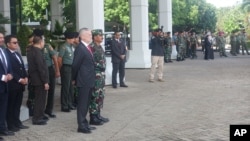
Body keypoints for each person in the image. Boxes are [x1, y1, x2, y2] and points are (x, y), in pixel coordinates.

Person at [72, 28, 96, 134]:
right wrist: (74, 78)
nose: (91, 36)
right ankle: (81, 126)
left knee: (86, 103)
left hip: (89, 79)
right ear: (82, 36)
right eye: (89, 34)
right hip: (83, 80)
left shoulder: (87, 47)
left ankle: (85, 123)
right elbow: (75, 65)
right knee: (82, 104)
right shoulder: (80, 48)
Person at [33, 29, 61, 118]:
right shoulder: (32, 47)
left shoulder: (47, 46)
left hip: (49, 69)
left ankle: (48, 110)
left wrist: (57, 70)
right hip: (39, 71)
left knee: (51, 90)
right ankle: (39, 112)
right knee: (40, 92)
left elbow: (54, 58)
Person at [5, 35, 29, 132]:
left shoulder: (17, 53)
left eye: (17, 42)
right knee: (11, 105)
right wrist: (19, 79)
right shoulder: (6, 54)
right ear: (8, 44)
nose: (17, 44)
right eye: (14, 43)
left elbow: (22, 67)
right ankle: (10, 124)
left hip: (20, 84)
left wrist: (26, 77)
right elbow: (9, 70)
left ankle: (17, 122)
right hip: (13, 84)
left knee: (18, 104)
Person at [27, 35, 49, 125]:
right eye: (43, 41)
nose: (44, 43)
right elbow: (41, 68)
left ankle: (40, 114)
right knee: (40, 99)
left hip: (37, 79)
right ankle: (37, 118)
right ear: (40, 42)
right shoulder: (37, 52)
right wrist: (45, 81)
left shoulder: (32, 50)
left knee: (41, 98)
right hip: (39, 79)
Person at [88, 29, 109, 126]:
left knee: (100, 96)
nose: (102, 37)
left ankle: (98, 115)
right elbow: (91, 62)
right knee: (95, 96)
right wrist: (100, 66)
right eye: (100, 35)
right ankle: (93, 117)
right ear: (95, 36)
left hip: (101, 76)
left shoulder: (99, 47)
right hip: (96, 76)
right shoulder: (91, 47)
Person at [0, 32, 14, 136]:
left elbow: (8, 65)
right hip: (1, 82)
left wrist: (10, 74)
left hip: (5, 86)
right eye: (0, 37)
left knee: (3, 108)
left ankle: (2, 129)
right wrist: (2, 77)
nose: (2, 39)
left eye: (2, 37)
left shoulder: (3, 51)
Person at [58, 32, 76, 112]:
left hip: (71, 68)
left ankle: (70, 103)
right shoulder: (64, 47)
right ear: (68, 39)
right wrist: (61, 69)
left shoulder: (72, 47)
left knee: (70, 87)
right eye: (72, 38)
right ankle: (64, 105)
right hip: (66, 67)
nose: (74, 40)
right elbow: (59, 59)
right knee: (65, 87)